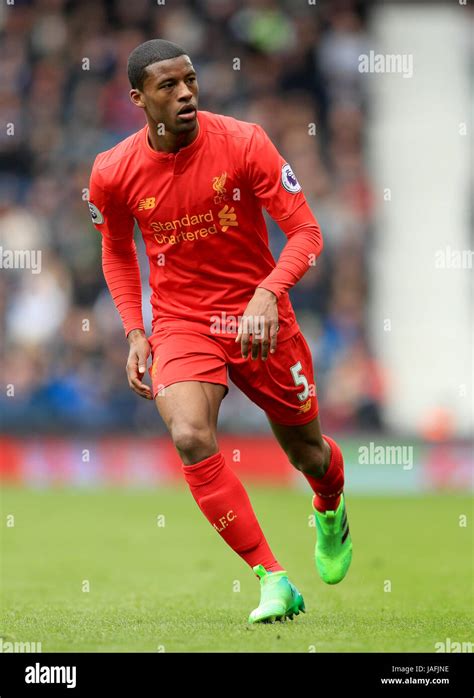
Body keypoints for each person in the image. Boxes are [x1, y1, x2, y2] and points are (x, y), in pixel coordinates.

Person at [88, 39, 352, 624]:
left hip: (260, 318)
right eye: (168, 86)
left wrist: (267, 292)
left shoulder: (245, 142)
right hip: (183, 322)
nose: (185, 93)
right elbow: (117, 254)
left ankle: (330, 507)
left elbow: (307, 233)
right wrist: (136, 330)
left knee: (307, 453)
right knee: (188, 434)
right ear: (138, 98)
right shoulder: (112, 170)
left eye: (190, 81)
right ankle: (273, 578)